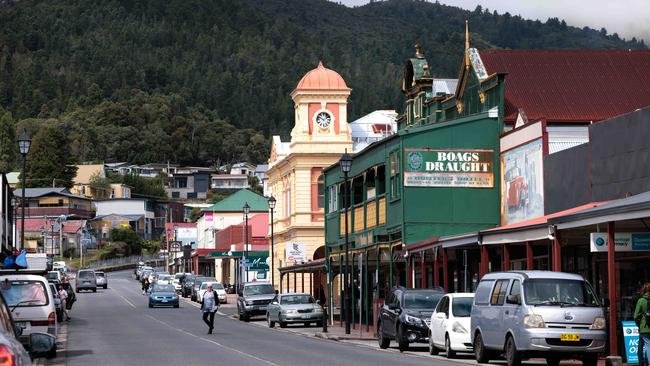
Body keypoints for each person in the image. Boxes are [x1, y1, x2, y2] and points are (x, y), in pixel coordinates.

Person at [635, 282, 650, 366]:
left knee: (644, 345)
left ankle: (641, 363)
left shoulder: (641, 300)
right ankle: (645, 362)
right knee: (645, 344)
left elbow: (636, 316)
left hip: (643, 327)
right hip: (645, 328)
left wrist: (639, 324)